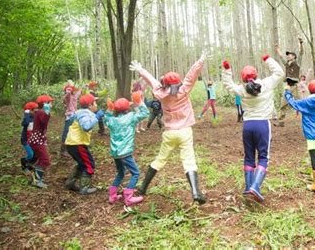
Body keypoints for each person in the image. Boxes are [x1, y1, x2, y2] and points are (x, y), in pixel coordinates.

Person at [129, 52, 209, 205]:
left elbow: (152, 80)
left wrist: (140, 69)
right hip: (185, 131)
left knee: (160, 160)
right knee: (189, 161)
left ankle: (143, 188)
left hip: (169, 132)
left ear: (164, 83)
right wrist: (200, 61)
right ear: (178, 83)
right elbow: (191, 76)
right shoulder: (184, 90)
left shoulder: (160, 93)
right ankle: (196, 192)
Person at [222, 54, 284, 203]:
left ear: (243, 78)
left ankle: (248, 188)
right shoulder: (266, 84)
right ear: (256, 74)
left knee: (249, 157)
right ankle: (255, 186)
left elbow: (228, 85)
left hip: (248, 125)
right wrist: (268, 59)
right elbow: (280, 73)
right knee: (263, 157)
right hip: (263, 125)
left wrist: (227, 70)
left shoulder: (242, 90)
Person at [105, 92, 149, 206]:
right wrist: (139, 102)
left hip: (115, 153)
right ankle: (128, 197)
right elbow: (145, 113)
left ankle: (112, 196)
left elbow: (106, 119)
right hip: (125, 153)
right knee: (135, 173)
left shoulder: (112, 120)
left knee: (121, 172)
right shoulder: (131, 117)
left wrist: (109, 110)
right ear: (127, 109)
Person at [64, 94, 104, 194]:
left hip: (72, 143)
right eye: (95, 103)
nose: (96, 105)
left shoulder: (79, 112)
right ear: (90, 105)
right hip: (77, 144)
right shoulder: (85, 113)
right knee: (89, 165)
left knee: (82, 164)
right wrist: (97, 117)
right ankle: (84, 188)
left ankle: (70, 183)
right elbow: (86, 126)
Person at [275, 37, 304, 127]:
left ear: (294, 57)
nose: (288, 56)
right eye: (288, 55)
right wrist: (277, 48)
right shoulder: (286, 64)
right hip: (287, 86)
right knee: (283, 104)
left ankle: (308, 119)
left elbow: (301, 53)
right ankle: (281, 122)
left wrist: (301, 43)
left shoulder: (297, 62)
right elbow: (281, 56)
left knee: (301, 103)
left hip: (295, 86)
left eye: (290, 55)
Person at [28, 95, 54, 188]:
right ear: (45, 104)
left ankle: (35, 178)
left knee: (42, 159)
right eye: (50, 102)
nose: (52, 104)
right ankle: (37, 181)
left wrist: (47, 113)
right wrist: (47, 114)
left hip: (36, 139)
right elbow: (43, 123)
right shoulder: (42, 112)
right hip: (37, 140)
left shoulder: (39, 112)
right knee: (45, 160)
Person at [60, 82, 82, 157]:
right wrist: (68, 89)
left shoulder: (74, 95)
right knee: (66, 132)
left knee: (73, 131)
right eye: (70, 89)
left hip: (75, 115)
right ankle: (63, 150)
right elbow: (68, 95)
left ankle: (72, 147)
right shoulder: (67, 97)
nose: (72, 90)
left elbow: (78, 93)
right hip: (69, 116)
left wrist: (82, 87)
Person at [20, 102, 38, 175]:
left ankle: (29, 165)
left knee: (36, 154)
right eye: (34, 110)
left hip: (32, 139)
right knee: (30, 154)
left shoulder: (35, 117)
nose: (36, 111)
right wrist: (26, 114)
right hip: (25, 139)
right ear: (30, 111)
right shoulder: (26, 118)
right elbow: (26, 123)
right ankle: (24, 165)